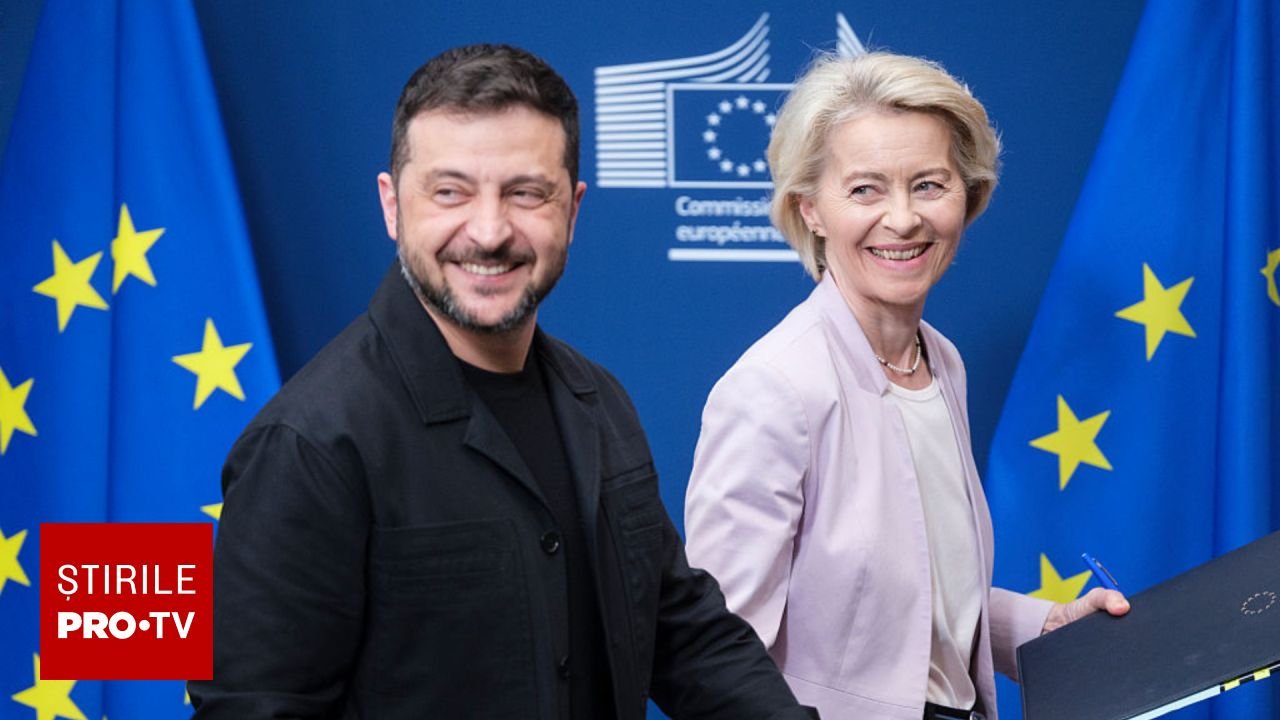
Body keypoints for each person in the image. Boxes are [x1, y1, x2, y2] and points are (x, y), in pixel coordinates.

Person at [189, 44, 816, 720]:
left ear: (571, 211)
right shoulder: (310, 444)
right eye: (450, 192)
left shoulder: (599, 401)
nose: (489, 232)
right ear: (392, 206)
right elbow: (255, 709)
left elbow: (681, 630)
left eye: (525, 193)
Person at [683, 51, 1129, 720]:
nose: (903, 218)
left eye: (928, 185)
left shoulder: (940, 361)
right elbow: (717, 657)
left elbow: (902, 599)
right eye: (866, 189)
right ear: (811, 209)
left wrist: (1044, 626)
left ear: (968, 197)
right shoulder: (774, 389)